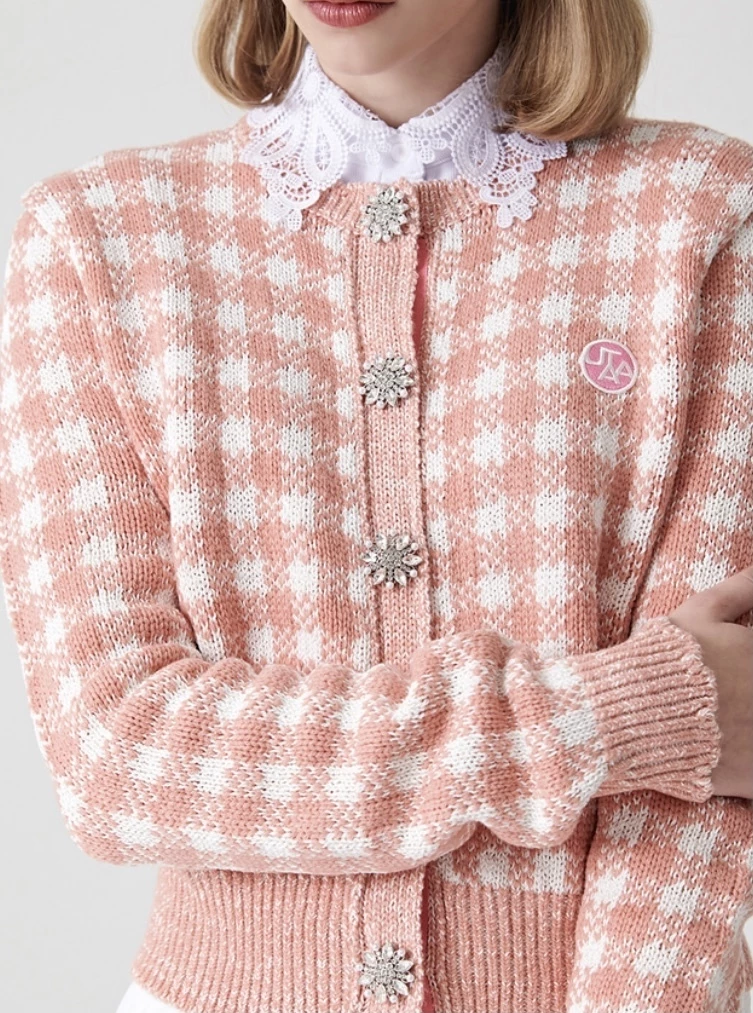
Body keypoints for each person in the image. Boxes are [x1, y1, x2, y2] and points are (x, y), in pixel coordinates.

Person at [0, 0, 751, 1011]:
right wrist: (614, 714)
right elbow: (117, 757)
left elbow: (715, 769)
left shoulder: (701, 213)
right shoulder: (98, 239)